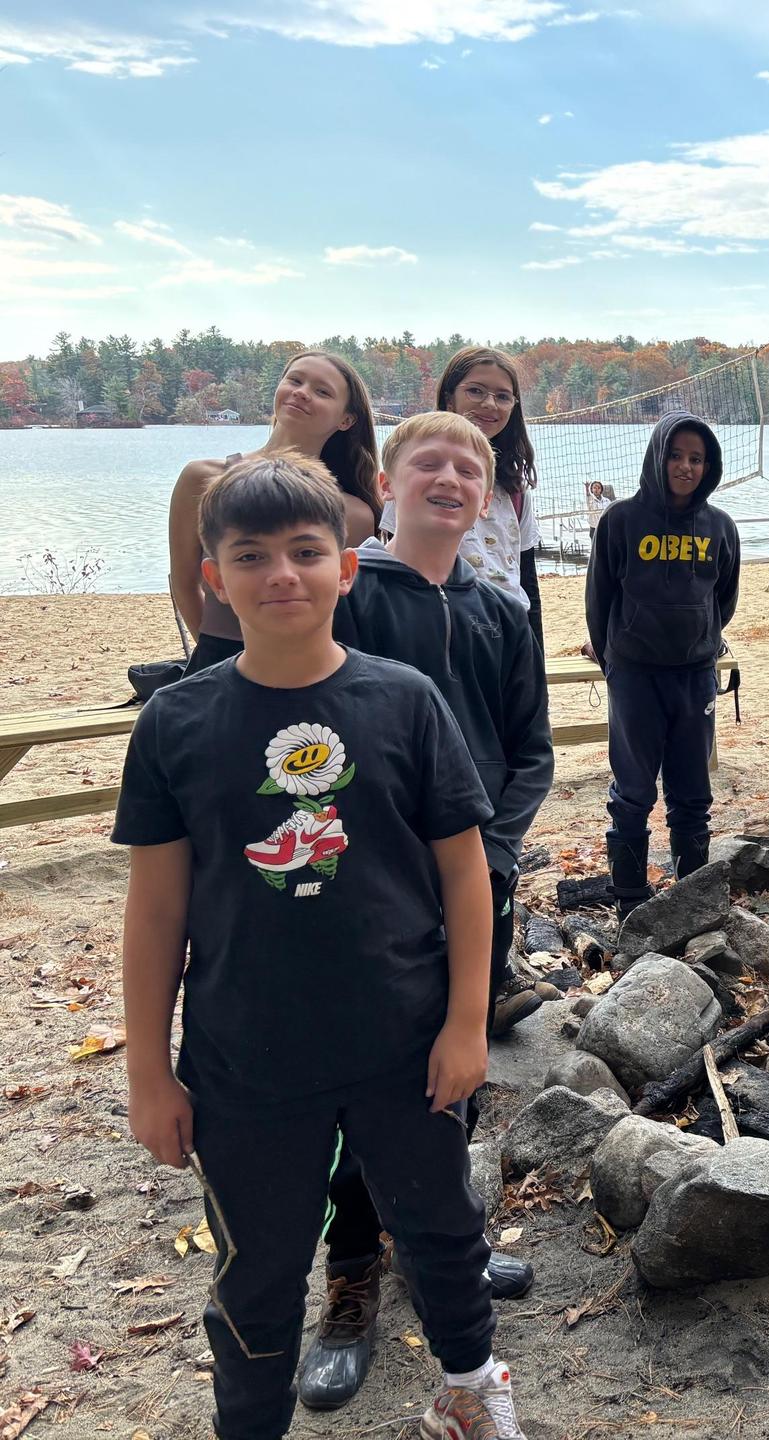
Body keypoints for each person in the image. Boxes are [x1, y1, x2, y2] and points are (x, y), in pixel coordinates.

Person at [115, 453, 525, 1439]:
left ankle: (472, 1388)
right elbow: (156, 911)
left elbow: (465, 877)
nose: (282, 575)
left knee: (441, 1227)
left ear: (348, 568)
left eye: (307, 552)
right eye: (251, 556)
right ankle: (250, 1423)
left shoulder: (404, 703)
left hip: (404, 1038)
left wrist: (467, 1022)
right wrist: (147, 1074)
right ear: (215, 578)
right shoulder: (177, 721)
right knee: (257, 1267)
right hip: (244, 1058)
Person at [298, 413, 555, 1411]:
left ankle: (440, 1242)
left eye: (470, 467)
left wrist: (489, 854)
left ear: (487, 497)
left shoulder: (501, 614)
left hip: (473, 883)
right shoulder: (353, 596)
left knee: (455, 1067)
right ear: (389, 481)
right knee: (361, 1081)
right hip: (364, 889)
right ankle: (352, 1271)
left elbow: (528, 750)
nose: (450, 477)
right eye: (429, 462)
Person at [586, 412, 741, 915]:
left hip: (695, 676)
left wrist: (702, 637)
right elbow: (599, 598)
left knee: (692, 790)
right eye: (676, 455)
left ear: (708, 466)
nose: (685, 466)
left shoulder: (719, 526)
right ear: (657, 456)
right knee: (632, 789)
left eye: (696, 459)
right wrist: (616, 661)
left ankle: (691, 892)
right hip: (634, 675)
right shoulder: (620, 521)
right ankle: (629, 894)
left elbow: (725, 597)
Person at [167, 352, 379, 673]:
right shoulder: (201, 478)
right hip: (218, 661)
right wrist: (220, 655)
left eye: (322, 391)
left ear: (346, 420)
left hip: (310, 669)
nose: (302, 392)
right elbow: (184, 582)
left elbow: (343, 611)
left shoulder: (356, 514)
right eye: (295, 380)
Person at [379, 348, 545, 650]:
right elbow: (393, 561)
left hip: (504, 635)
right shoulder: (415, 476)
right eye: (475, 391)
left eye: (503, 396)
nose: (489, 403)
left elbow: (527, 579)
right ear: (448, 397)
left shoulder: (516, 488)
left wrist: (535, 654)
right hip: (432, 630)